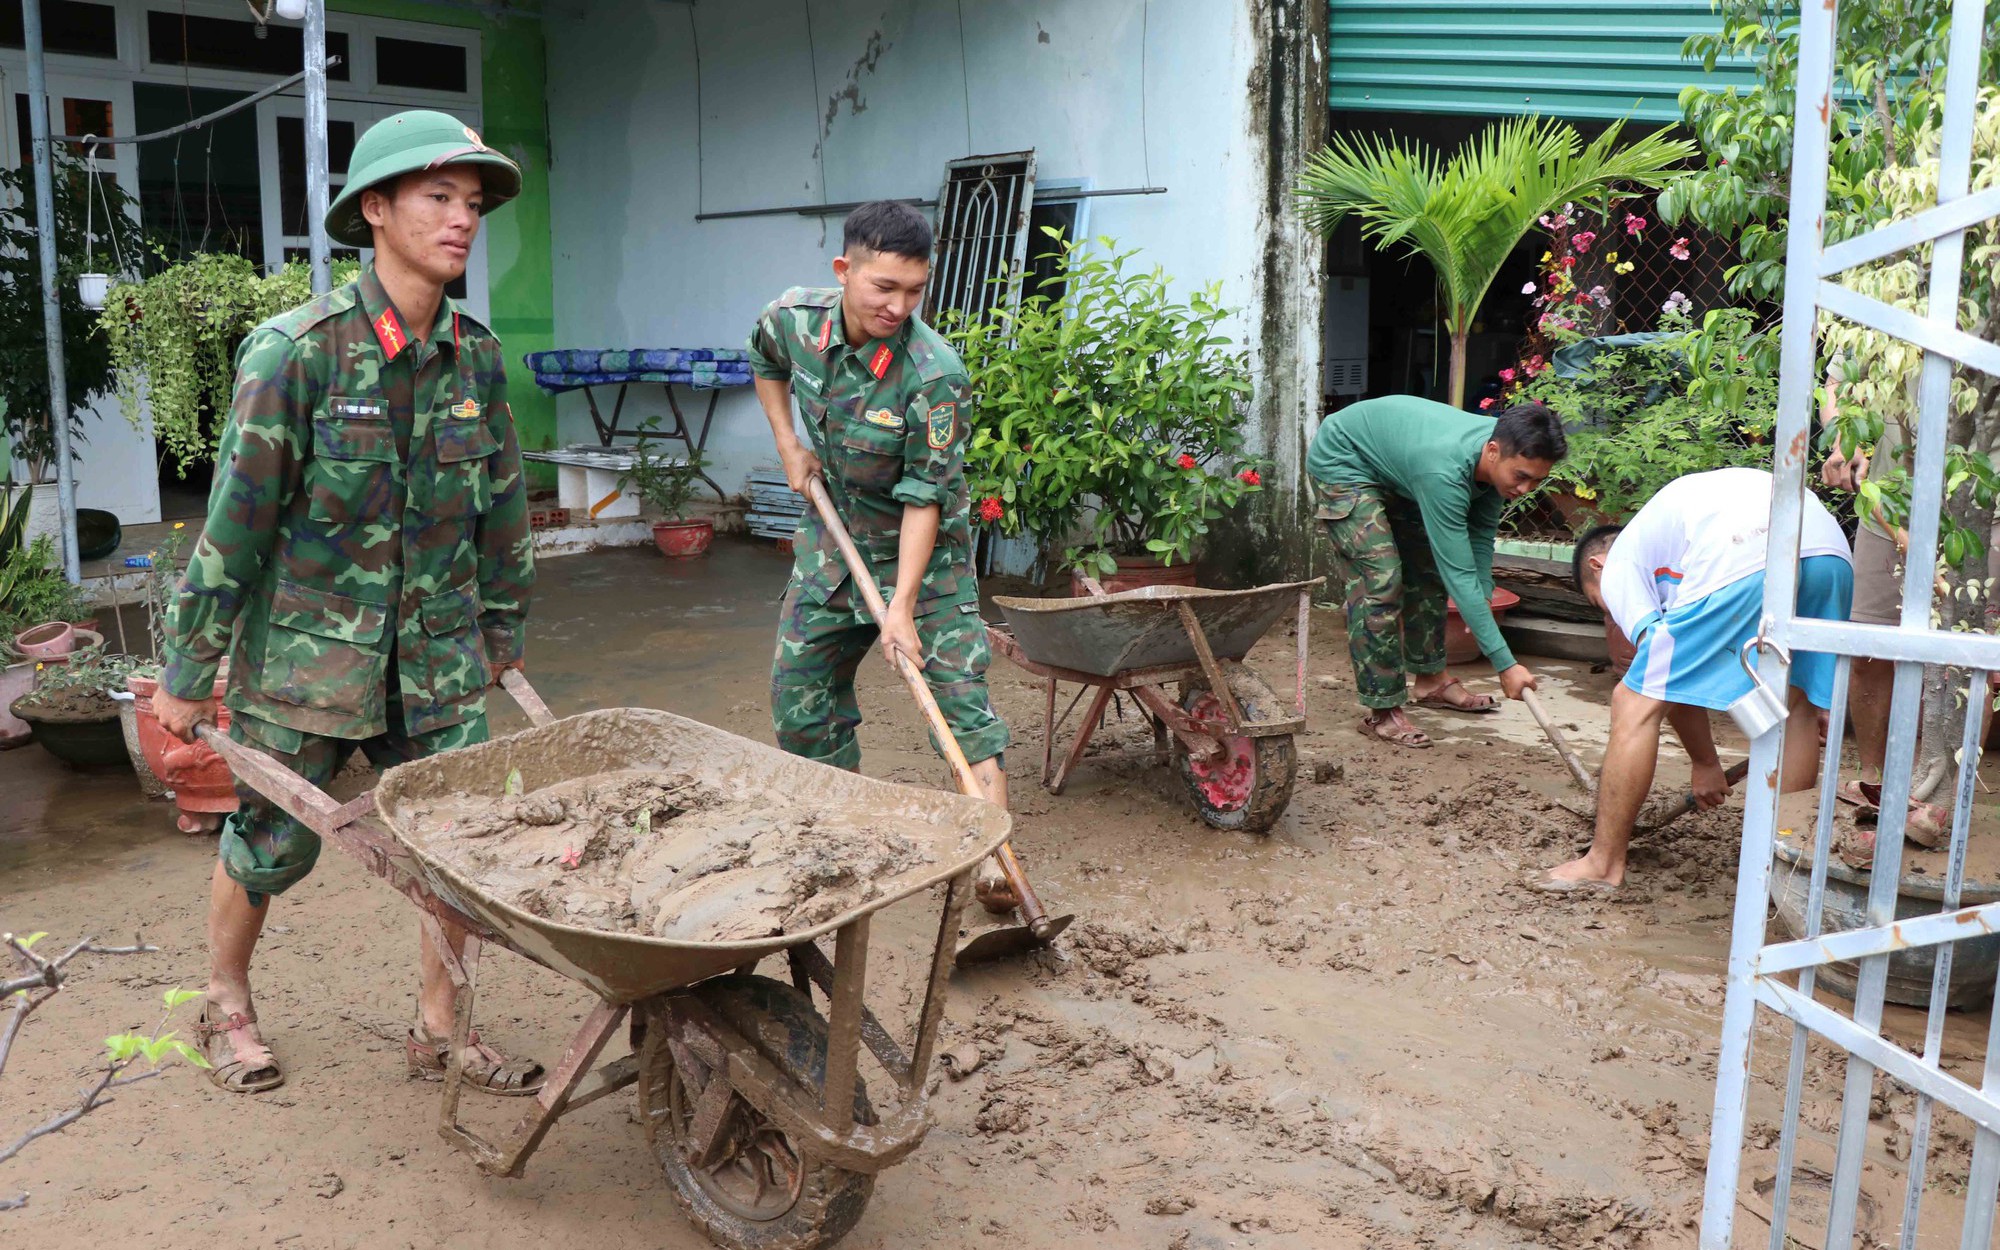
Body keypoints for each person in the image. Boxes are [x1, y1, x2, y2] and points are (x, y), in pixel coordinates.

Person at [152, 110, 543, 1096]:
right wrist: (189, 671)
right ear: (375, 208)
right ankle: (226, 998)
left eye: (473, 203)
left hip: (439, 653)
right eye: (438, 197)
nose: (462, 220)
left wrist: (502, 626)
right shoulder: (299, 354)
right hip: (309, 658)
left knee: (454, 845)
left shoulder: (477, 356)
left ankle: (440, 1027)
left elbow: (502, 506)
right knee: (271, 847)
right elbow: (236, 523)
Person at [747, 200, 1014, 907]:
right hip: (834, 547)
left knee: (959, 704)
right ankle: (838, 835)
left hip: (925, 561)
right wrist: (787, 443)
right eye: (883, 288)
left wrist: (901, 609)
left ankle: (994, 858)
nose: (899, 305)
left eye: (915, 291)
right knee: (801, 702)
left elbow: (925, 499)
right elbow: (763, 359)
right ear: (845, 270)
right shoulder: (794, 321)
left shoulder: (934, 376)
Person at [1543, 467, 1854, 891]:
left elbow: (1665, 687)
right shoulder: (1672, 536)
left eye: (1602, 606)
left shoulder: (1619, 566)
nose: (1612, 614)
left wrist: (1705, 762)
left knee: (1632, 702)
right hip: (1829, 551)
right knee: (1793, 709)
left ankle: (1603, 863)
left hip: (1744, 552)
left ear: (1597, 566)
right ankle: (1777, 871)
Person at [1307, 397, 1568, 749]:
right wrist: (1506, 665)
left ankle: (1431, 680)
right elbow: (1459, 573)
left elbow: (1478, 543)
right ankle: (1382, 708)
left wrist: (1483, 599)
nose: (1525, 490)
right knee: (1381, 581)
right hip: (1346, 459)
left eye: (1536, 481)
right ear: (1493, 451)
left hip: (1399, 463)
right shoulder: (1444, 473)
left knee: (1427, 569)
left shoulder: (1492, 468)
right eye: (1521, 476)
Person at [1818, 375, 1975, 839]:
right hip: (1886, 506)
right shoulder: (1877, 305)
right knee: (1869, 648)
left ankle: (1941, 801)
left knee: (1972, 657)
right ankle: (1877, 784)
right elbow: (1838, 388)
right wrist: (1846, 441)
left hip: (1983, 508)